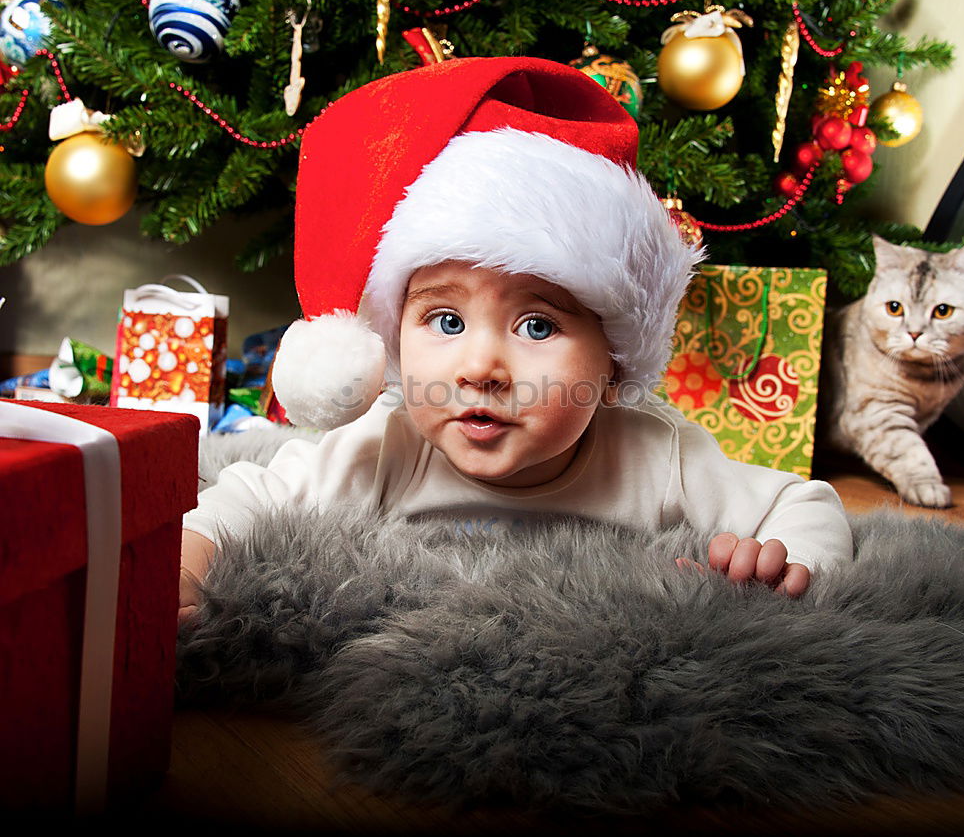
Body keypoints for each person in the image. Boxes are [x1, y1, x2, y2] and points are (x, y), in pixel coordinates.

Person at [179, 57, 852, 623]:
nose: (479, 368)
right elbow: (251, 495)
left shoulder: (654, 452)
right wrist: (188, 561)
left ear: (614, 363)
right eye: (445, 321)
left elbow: (804, 502)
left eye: (538, 325)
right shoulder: (389, 442)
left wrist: (787, 563)